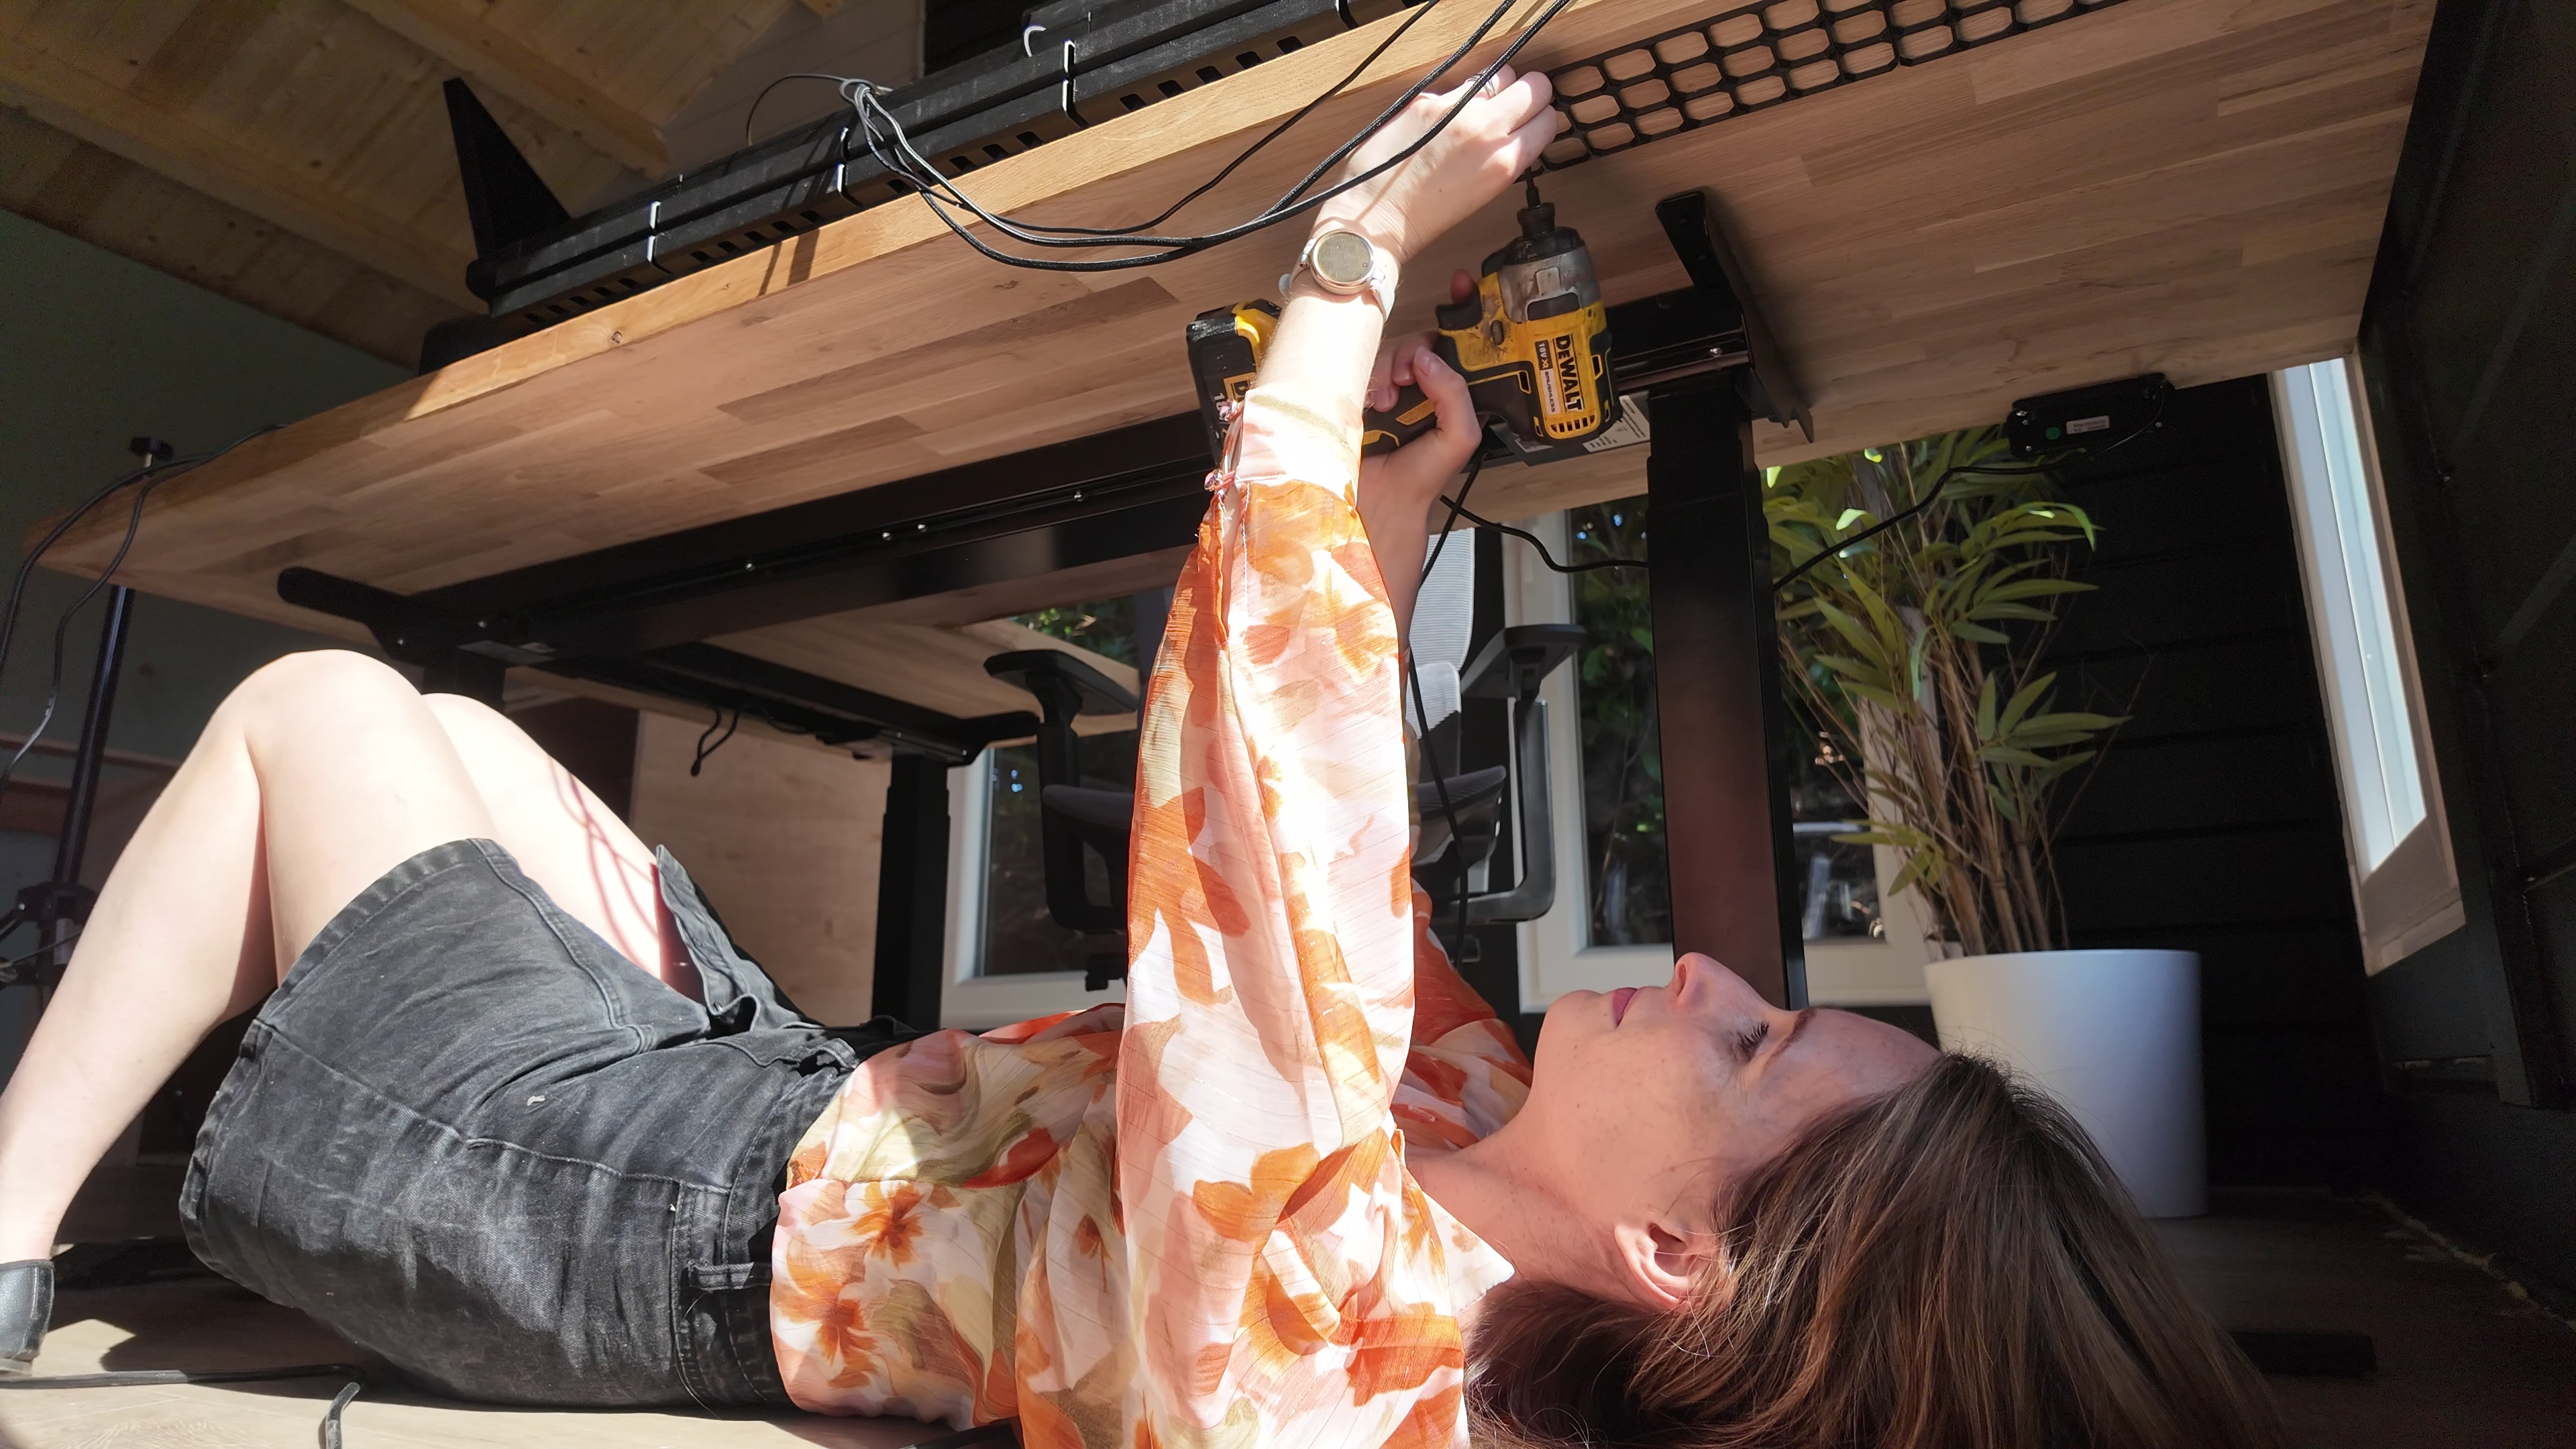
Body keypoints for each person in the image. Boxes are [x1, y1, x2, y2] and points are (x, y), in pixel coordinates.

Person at [0, 62, 2282, 1449]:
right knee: (443, 730)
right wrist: (1376, 526)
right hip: (781, 1108)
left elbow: (1250, 891)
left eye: (1759, 1036)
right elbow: (1335, 905)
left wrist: (1349, 275)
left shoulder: (1339, 1356)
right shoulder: (1483, 1149)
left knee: (311, 713)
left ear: (1683, 1255)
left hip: (601, 1230)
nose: (1706, 971)